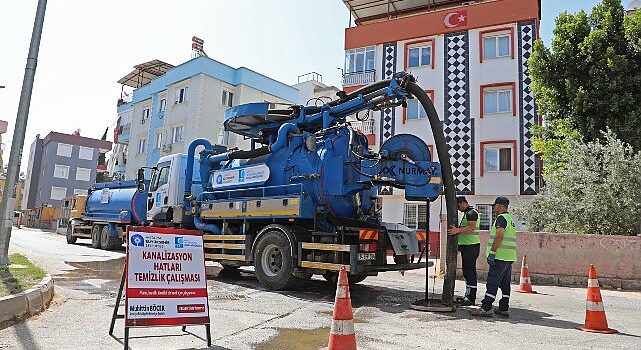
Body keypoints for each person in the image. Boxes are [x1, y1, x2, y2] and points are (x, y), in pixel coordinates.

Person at [471, 196, 517, 318]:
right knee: (505, 283)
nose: (494, 207)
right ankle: (503, 308)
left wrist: (492, 252)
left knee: (492, 281)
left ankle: (486, 308)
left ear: (501, 206)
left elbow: (499, 235)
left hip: (500, 256)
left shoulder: (501, 218)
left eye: (495, 205)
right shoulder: (510, 219)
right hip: (509, 257)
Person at [447, 196, 480, 306]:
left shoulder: (471, 213)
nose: (458, 208)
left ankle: (471, 298)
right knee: (466, 271)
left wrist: (457, 230)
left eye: (457, 206)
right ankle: (468, 295)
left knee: (470, 272)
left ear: (462, 203)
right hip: (467, 246)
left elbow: (471, 228)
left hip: (471, 246)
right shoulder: (467, 214)